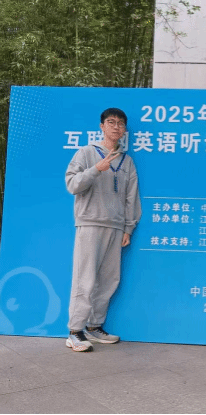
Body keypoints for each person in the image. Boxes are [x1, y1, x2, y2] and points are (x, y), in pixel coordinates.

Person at [65, 108, 141, 352]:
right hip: (90, 223)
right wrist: (95, 169)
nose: (116, 126)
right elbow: (72, 184)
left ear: (124, 130)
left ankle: (94, 326)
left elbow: (131, 197)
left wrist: (128, 227)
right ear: (102, 126)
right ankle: (74, 331)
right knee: (85, 279)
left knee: (109, 281)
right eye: (111, 122)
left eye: (120, 123)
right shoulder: (86, 153)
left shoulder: (127, 161)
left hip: (116, 227)